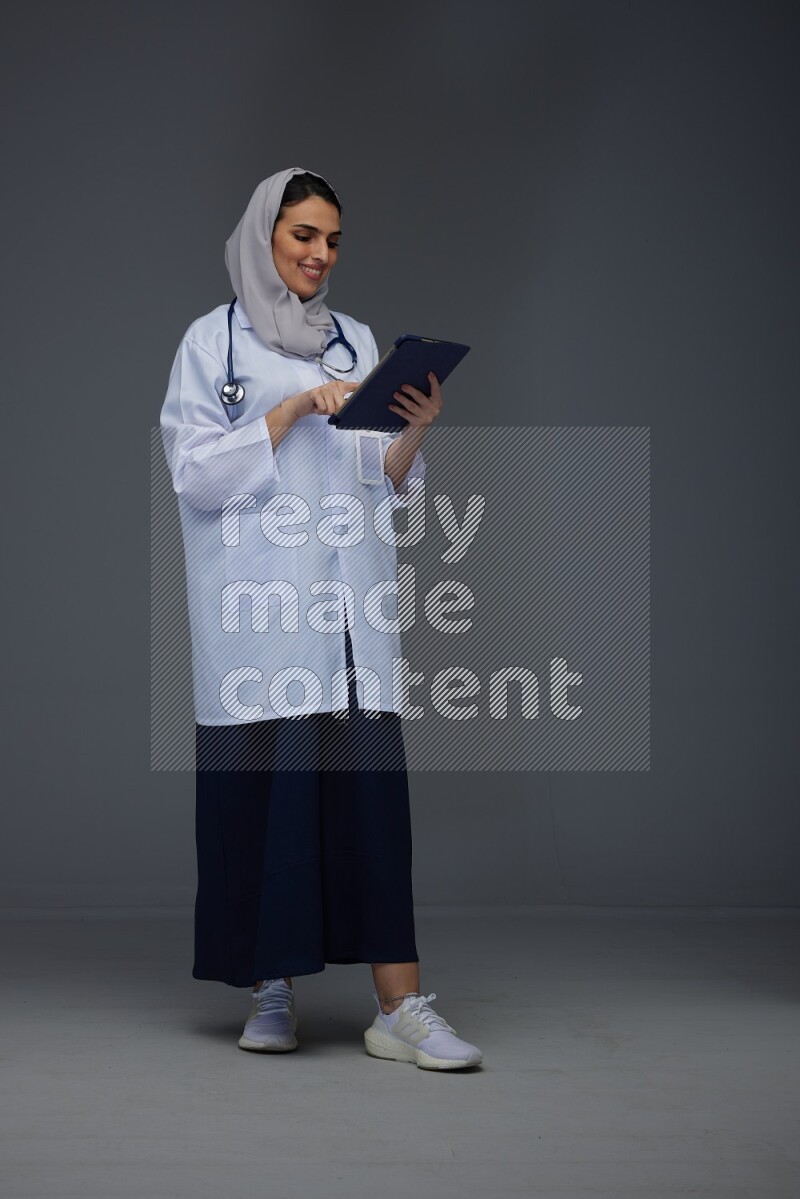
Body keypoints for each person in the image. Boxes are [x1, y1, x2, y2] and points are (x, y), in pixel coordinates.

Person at [159, 166, 482, 1070]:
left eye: (333, 239)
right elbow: (193, 474)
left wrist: (416, 426)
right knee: (270, 804)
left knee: (370, 807)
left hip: (350, 614)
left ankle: (400, 1008)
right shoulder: (210, 343)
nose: (320, 254)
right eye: (303, 234)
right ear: (264, 235)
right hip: (261, 616)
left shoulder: (356, 340)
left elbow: (385, 477)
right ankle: (271, 987)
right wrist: (294, 407)